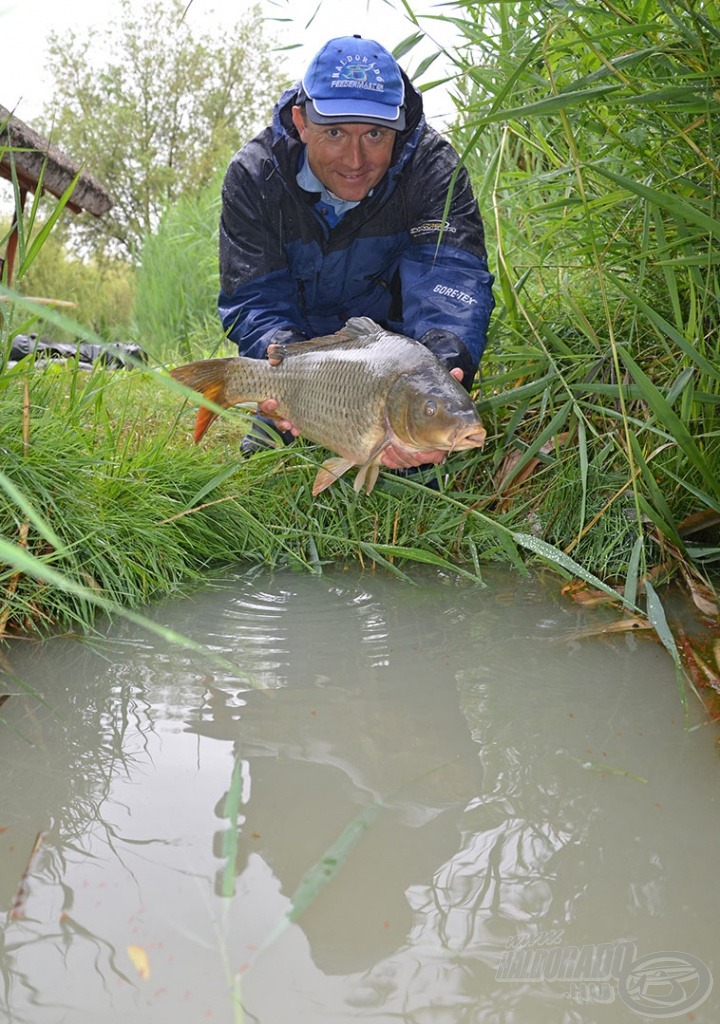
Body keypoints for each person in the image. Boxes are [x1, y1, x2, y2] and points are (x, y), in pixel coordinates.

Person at [218, 34, 495, 470]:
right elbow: (255, 298)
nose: (355, 159)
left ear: (399, 127)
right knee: (265, 466)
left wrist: (441, 367)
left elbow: (451, 282)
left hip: (391, 357)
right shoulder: (255, 177)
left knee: (423, 470)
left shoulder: (433, 170)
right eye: (334, 132)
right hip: (302, 353)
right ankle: (277, 414)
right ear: (301, 122)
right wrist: (285, 358)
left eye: (374, 133)